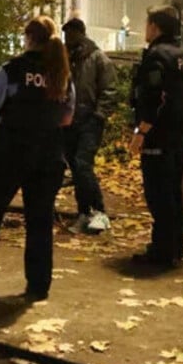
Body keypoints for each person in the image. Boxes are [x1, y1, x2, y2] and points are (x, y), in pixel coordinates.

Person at [0, 16, 74, 301]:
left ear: (29, 38)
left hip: (10, 153)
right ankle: (38, 285)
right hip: (47, 156)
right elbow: (67, 117)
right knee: (40, 221)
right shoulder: (61, 73)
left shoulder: (11, 70)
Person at [129, 5, 183, 268]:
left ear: (155, 27)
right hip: (179, 134)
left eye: (147, 24)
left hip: (158, 135)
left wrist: (141, 131)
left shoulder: (157, 57)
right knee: (173, 191)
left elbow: (153, 97)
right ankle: (175, 248)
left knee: (158, 193)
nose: (145, 29)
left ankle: (161, 251)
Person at [61, 18, 117, 234]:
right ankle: (84, 212)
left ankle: (98, 210)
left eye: (72, 34)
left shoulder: (96, 58)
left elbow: (109, 89)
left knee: (82, 164)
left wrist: (99, 115)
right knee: (76, 168)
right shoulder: (66, 57)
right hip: (69, 121)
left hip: (89, 120)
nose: (69, 39)